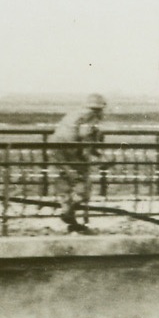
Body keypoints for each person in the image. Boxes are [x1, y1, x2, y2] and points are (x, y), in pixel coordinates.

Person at [51, 93, 107, 233]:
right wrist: (94, 157)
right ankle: (68, 211)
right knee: (82, 182)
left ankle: (70, 216)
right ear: (100, 108)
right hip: (71, 152)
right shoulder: (90, 117)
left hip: (58, 150)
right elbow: (85, 138)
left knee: (66, 180)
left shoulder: (76, 114)